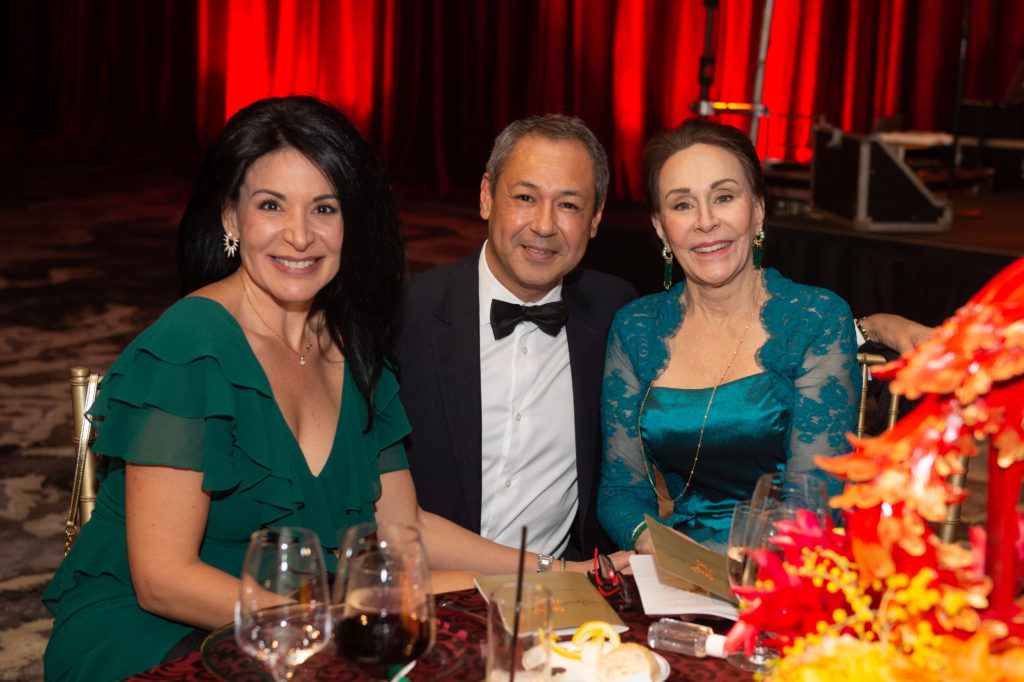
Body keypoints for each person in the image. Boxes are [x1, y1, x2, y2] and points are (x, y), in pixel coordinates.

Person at [42, 98, 593, 682]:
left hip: (304, 630)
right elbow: (163, 580)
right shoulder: (189, 347)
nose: (300, 236)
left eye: (323, 208)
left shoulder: (354, 351)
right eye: (271, 205)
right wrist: (326, 625)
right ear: (231, 218)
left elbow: (407, 536)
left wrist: (553, 571)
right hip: (157, 640)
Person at [599, 118, 861, 556]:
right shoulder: (636, 327)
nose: (705, 222)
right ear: (660, 227)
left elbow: (813, 507)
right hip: (675, 565)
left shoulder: (815, 320)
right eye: (682, 205)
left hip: (783, 573)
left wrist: (721, 570)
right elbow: (619, 491)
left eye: (724, 197)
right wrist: (660, 551)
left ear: (758, 209)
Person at [395, 115, 637, 566]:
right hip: (426, 594)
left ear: (596, 218)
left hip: (560, 609)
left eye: (569, 205)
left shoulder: (614, 312)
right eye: (525, 198)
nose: (544, 225)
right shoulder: (402, 318)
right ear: (487, 196)